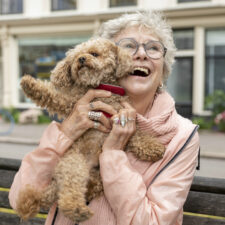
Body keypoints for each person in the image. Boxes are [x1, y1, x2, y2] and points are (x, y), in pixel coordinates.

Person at [9, 11, 200, 225]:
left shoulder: (182, 136)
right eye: (128, 46)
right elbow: (19, 200)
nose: (141, 54)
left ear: (163, 68)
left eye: (153, 48)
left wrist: (112, 155)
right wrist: (68, 131)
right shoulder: (79, 110)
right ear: (114, 61)